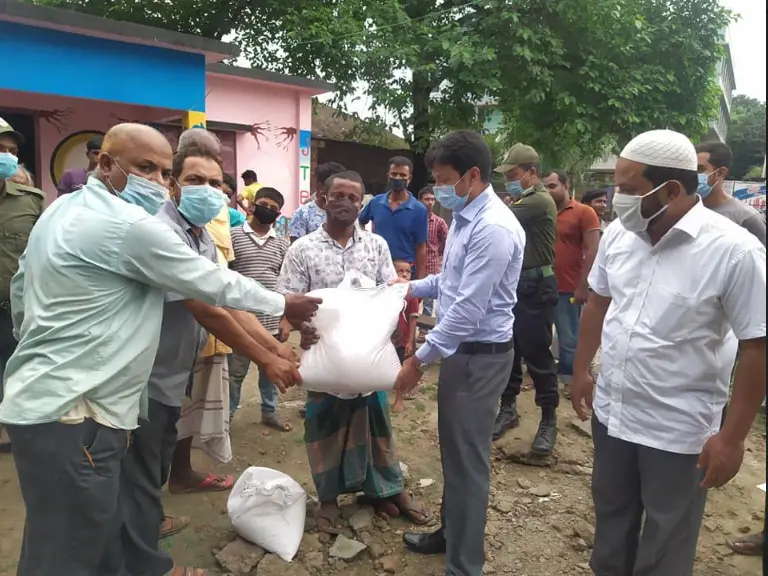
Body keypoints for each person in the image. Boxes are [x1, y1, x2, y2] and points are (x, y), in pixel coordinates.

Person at [0, 123, 320, 576]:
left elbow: (20, 287)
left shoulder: (60, 209)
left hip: (47, 403)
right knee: (65, 554)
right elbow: (211, 286)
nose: (156, 182)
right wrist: (282, 302)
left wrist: (34, 349)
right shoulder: (128, 226)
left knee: (88, 531)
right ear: (105, 163)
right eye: (144, 168)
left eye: (162, 172)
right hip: (76, 415)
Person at [570, 129, 766, 576]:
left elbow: (757, 347)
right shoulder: (620, 236)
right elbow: (598, 302)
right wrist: (581, 370)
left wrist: (732, 438)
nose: (616, 198)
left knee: (666, 543)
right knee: (611, 524)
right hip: (614, 416)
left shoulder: (734, 251)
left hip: (678, 432)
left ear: (672, 189)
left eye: (629, 189)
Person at [393, 131, 525, 576]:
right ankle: (450, 535)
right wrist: (403, 287)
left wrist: (417, 360)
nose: (441, 189)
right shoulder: (467, 217)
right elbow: (448, 285)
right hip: (463, 354)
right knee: (454, 450)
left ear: (473, 175)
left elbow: (468, 310)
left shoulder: (494, 228)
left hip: (480, 355)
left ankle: (464, 565)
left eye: (446, 179)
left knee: (468, 463)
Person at [277, 170, 431, 535]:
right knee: (325, 427)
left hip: (367, 355)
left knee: (377, 426)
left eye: (353, 197)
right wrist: (303, 328)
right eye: (338, 195)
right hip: (324, 356)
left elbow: (386, 296)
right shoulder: (303, 249)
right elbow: (288, 300)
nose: (345, 202)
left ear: (361, 202)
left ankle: (384, 490)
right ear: (323, 199)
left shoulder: (376, 246)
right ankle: (329, 499)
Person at [492, 144, 559, 456]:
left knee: (537, 355)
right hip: (515, 286)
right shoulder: (524, 199)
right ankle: (508, 409)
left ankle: (549, 419)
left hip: (536, 287)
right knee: (511, 350)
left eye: (514, 175)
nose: (509, 181)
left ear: (532, 173)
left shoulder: (539, 201)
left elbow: (494, 218)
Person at [229, 186, 293, 431]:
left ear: (278, 215)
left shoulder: (282, 244)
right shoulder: (233, 236)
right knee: (235, 375)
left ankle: (270, 412)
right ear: (254, 206)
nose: (268, 210)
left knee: (270, 375)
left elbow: (287, 285)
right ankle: (227, 420)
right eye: (264, 204)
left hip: (271, 323)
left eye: (274, 209)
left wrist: (285, 320)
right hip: (240, 322)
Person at [0, 117, 45, 454]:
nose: (8, 157)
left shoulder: (30, 201)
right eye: (0, 149)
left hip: (10, 312)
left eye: (12, 151)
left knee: (15, 374)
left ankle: (13, 431)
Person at [543, 171, 600, 398]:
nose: (548, 191)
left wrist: (584, 285)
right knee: (540, 335)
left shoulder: (584, 213)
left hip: (569, 287)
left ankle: (569, 379)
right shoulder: (543, 210)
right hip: (543, 285)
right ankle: (544, 375)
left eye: (552, 186)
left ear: (566, 186)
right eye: (545, 187)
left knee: (568, 337)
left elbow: (593, 250)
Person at [359, 156, 429, 278]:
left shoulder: (419, 210)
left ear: (409, 179)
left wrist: (420, 279)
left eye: (402, 175)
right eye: (394, 174)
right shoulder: (375, 202)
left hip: (404, 272)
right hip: (377, 269)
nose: (398, 178)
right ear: (388, 176)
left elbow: (421, 247)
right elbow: (360, 222)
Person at [696, 141, 766, 244]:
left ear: (720, 173)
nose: (693, 174)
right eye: (691, 169)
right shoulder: (687, 210)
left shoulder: (746, 218)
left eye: (700, 169)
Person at [289, 161, 347, 241]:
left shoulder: (349, 213)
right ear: (321, 187)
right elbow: (295, 249)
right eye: (337, 187)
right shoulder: (302, 214)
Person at [418, 186, 448, 324]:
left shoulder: (439, 222)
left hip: (431, 267)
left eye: (432, 199)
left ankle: (424, 329)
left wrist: (438, 253)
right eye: (426, 199)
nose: (430, 202)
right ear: (420, 201)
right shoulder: (414, 220)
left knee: (428, 304)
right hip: (415, 266)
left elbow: (447, 242)